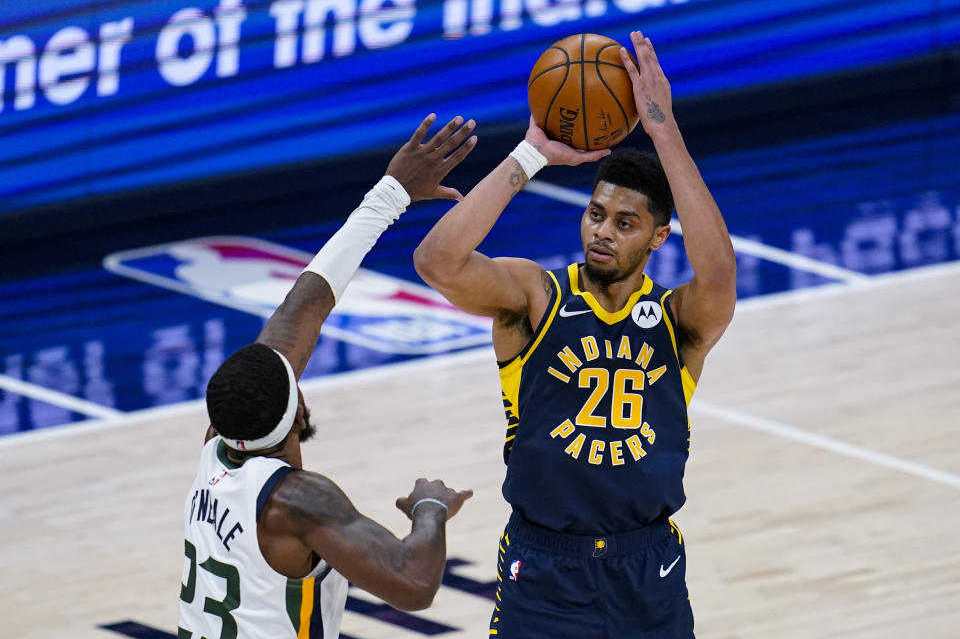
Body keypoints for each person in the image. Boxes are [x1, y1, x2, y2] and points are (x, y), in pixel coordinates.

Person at [413, 32, 736, 638]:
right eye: (595, 214)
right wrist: (530, 154)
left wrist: (664, 131)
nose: (602, 232)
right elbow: (438, 262)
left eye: (625, 222)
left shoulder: (679, 322)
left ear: (658, 237)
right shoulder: (535, 297)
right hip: (544, 570)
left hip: (649, 569)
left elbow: (719, 272)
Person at [178, 114, 477, 639]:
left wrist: (392, 193)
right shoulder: (298, 502)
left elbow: (303, 306)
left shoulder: (219, 445)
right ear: (293, 408)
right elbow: (415, 584)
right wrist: (430, 509)